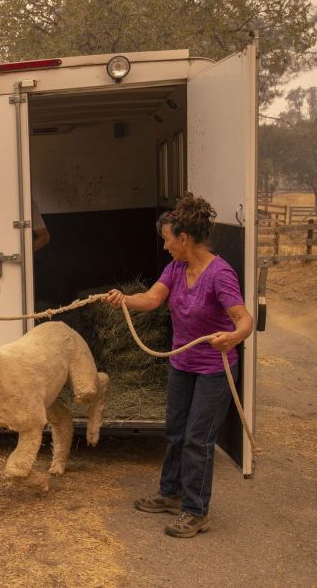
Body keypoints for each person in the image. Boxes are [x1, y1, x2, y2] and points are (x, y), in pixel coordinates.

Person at [103, 193, 253, 538]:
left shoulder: (220, 275)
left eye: (168, 240)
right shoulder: (175, 268)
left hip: (214, 369)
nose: (166, 246)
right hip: (182, 363)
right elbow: (152, 299)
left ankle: (196, 510)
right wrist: (123, 299)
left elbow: (244, 319)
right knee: (176, 431)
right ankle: (170, 494)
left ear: (184, 238)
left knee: (197, 439)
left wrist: (233, 337)